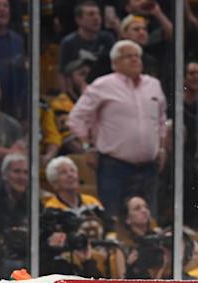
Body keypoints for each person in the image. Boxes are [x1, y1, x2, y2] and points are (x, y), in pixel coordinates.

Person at [67, 40, 168, 222]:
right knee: (113, 219)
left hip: (149, 167)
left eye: (137, 56)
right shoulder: (102, 85)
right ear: (115, 63)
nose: (134, 59)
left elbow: (161, 121)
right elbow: (76, 118)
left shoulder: (154, 85)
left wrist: (161, 148)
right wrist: (88, 147)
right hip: (114, 166)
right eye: (127, 56)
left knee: (148, 220)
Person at [57, 0, 115, 84]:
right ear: (78, 20)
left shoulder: (107, 38)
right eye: (91, 14)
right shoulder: (68, 42)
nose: (96, 18)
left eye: (98, 14)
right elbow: (63, 73)